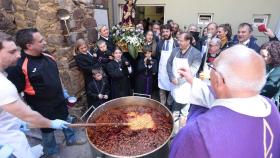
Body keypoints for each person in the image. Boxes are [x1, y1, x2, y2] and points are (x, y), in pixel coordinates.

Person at [170, 45, 280, 158]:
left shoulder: (198, 134)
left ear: (218, 79)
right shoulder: (270, 107)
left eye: (212, 67)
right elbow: (222, 97)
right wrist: (191, 79)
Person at [6, 28, 85, 157]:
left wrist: (64, 92)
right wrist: (24, 114)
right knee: (47, 130)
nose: (45, 42)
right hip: (42, 107)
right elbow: (15, 94)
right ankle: (51, 152)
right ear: (29, 45)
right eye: (41, 41)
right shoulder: (19, 66)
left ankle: (71, 139)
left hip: (59, 100)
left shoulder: (49, 56)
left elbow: (57, 76)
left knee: (66, 119)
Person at [156, 24, 179, 106]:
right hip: (162, 69)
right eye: (163, 32)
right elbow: (158, 56)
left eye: (167, 31)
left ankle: (169, 103)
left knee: (172, 87)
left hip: (172, 69)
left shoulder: (176, 43)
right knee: (161, 87)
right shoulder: (160, 43)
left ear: (171, 32)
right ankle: (162, 103)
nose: (165, 33)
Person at [260, 41, 280, 106]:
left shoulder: (278, 70)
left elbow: (267, 91)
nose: (260, 58)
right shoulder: (267, 65)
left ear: (274, 56)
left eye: (264, 56)